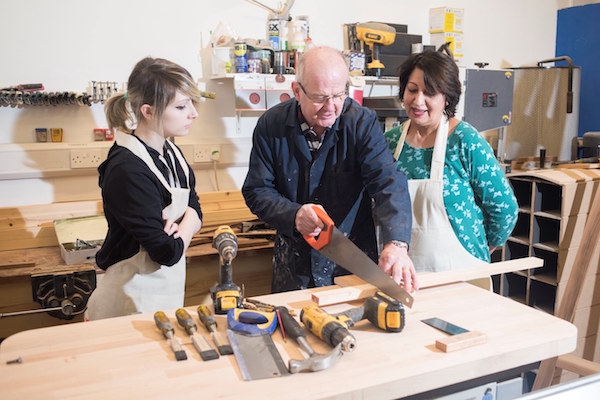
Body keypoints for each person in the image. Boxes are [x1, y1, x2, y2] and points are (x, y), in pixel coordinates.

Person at [242, 46, 417, 293]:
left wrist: (397, 243)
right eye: (319, 97)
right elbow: (257, 190)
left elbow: (388, 181)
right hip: (293, 265)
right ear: (296, 91)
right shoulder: (271, 126)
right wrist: (294, 215)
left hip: (351, 263)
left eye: (338, 95)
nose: (331, 106)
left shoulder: (361, 123)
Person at [86, 57, 203, 320]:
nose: (193, 113)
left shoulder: (171, 152)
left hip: (162, 297)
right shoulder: (126, 169)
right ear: (148, 112)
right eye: (182, 106)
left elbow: (195, 208)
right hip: (127, 303)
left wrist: (186, 224)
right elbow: (167, 251)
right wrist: (189, 225)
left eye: (192, 104)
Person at [384, 51, 518, 280]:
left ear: (447, 97)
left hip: (463, 272)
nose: (418, 101)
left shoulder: (465, 140)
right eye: (412, 90)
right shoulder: (391, 141)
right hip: (405, 276)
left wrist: (482, 245)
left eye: (430, 93)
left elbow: (504, 209)